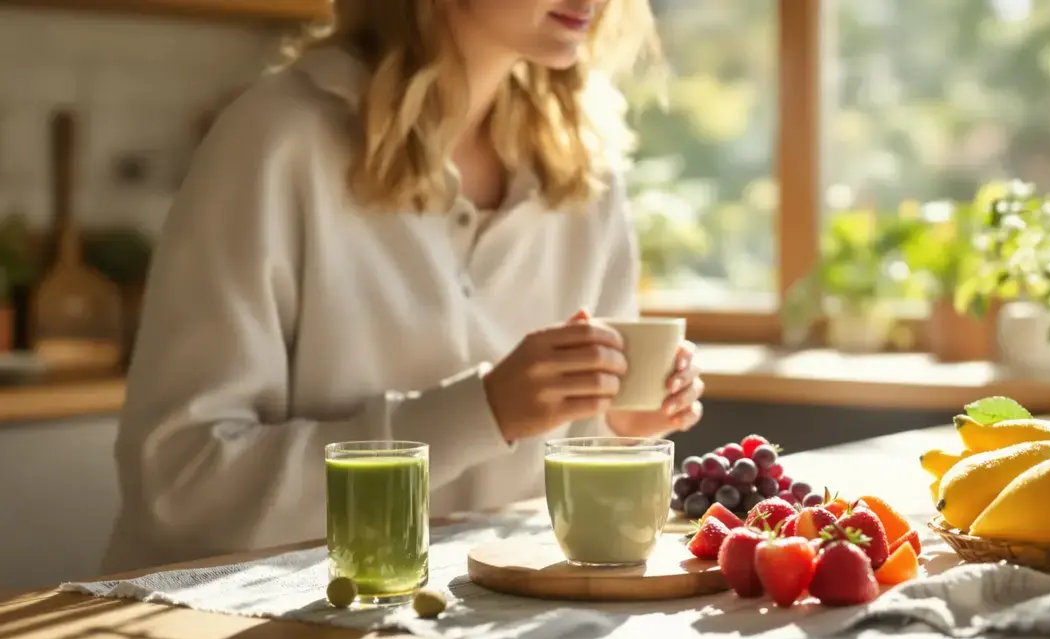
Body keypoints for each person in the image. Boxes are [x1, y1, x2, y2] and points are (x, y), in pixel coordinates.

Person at [102, 0, 705, 573]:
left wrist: (618, 423)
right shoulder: (277, 140)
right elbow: (182, 488)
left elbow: (550, 492)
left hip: (467, 627)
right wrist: (483, 412)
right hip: (234, 628)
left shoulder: (583, 167)